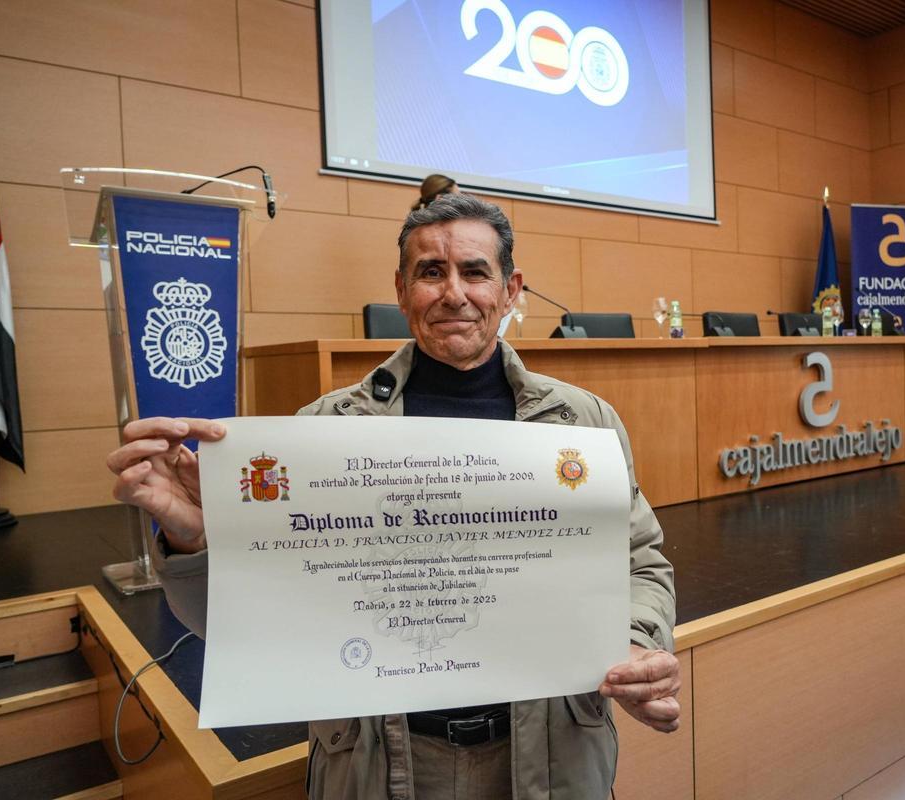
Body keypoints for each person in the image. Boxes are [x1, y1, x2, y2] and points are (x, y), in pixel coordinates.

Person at [107, 193, 679, 800]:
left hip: (552, 755)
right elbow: (241, 624)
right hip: (382, 765)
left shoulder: (582, 424)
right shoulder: (322, 434)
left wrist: (639, 644)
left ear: (511, 290)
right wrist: (196, 541)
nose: (453, 293)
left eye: (475, 271)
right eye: (431, 272)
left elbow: (640, 562)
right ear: (403, 290)